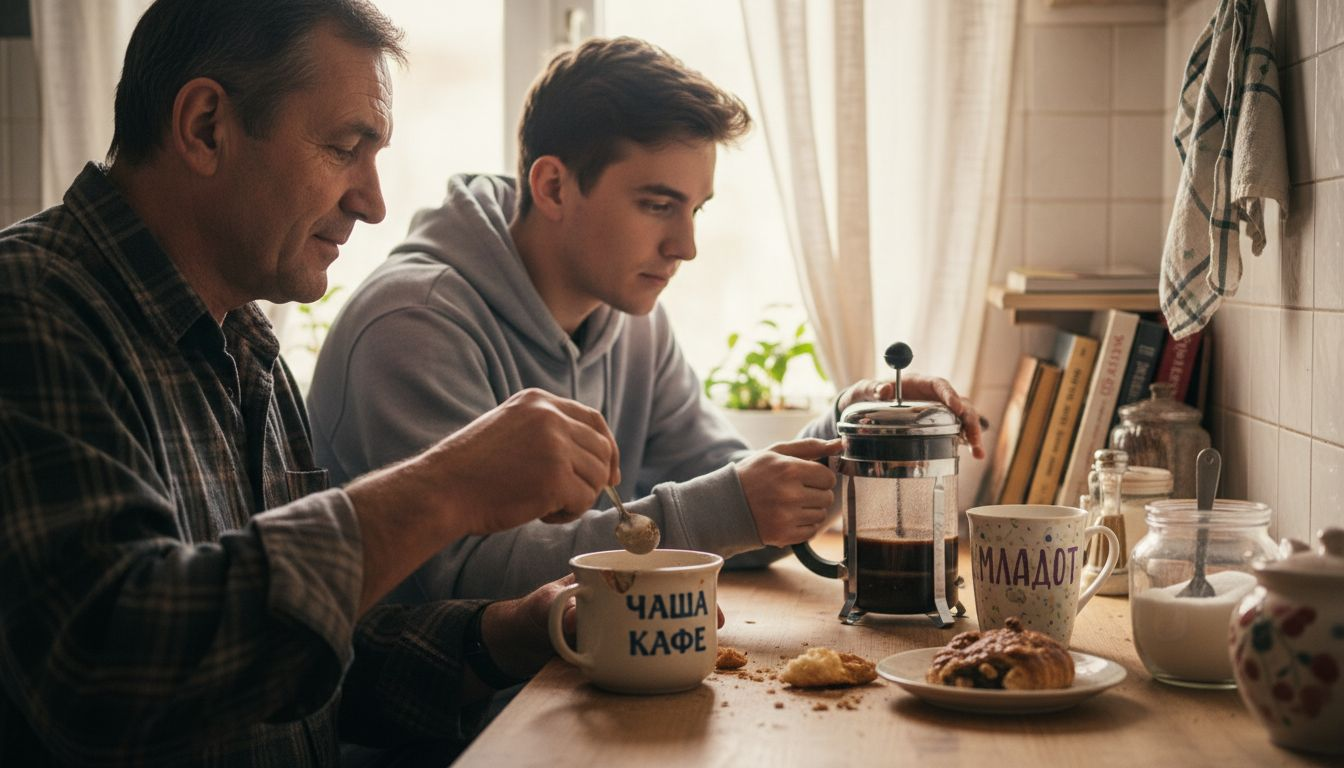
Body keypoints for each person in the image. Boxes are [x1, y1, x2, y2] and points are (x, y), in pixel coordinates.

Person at [0, 1, 624, 764]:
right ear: (205, 127)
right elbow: (110, 666)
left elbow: (292, 659)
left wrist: (511, 633)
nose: (372, 200)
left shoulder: (248, 342)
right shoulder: (30, 308)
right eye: (342, 148)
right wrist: (445, 486)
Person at [307, 36, 985, 603]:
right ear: (552, 187)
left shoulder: (631, 322)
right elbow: (459, 584)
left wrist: (856, 426)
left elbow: (730, 506)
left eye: (696, 210)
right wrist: (727, 510)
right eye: (658, 205)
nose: (685, 247)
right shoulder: (412, 328)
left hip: (576, 696)